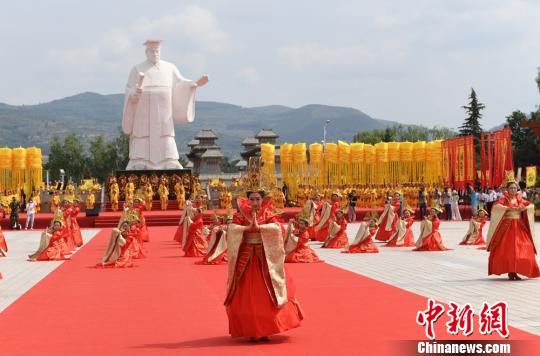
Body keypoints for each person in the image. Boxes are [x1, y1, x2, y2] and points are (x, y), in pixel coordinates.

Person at [225, 189, 303, 341]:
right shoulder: (240, 215)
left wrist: (261, 228)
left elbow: (278, 228)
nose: (254, 202)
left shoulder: (268, 214)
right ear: (247, 200)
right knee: (247, 296)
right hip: (246, 258)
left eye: (257, 199)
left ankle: (266, 328)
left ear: (263, 200)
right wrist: (246, 228)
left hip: (266, 258)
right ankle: (251, 329)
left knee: (267, 294)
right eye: (252, 199)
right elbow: (232, 229)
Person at [122, 40, 209, 170]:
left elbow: (180, 84)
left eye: (157, 51)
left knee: (166, 135)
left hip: (164, 113)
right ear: (146, 52)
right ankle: (139, 160)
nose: (155, 53)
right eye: (152, 51)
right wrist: (134, 93)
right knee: (142, 135)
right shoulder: (137, 69)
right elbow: (129, 90)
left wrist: (194, 84)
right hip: (143, 112)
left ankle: (170, 160)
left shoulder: (170, 68)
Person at [486, 178, 539, 280]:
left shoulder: (520, 199)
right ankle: (511, 271)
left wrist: (525, 208)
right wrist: (508, 208)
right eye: (511, 188)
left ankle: (516, 270)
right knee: (509, 250)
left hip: (519, 226)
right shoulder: (504, 199)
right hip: (507, 227)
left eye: (515, 188)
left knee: (525, 246)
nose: (513, 190)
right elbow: (496, 207)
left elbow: (531, 205)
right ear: (507, 189)